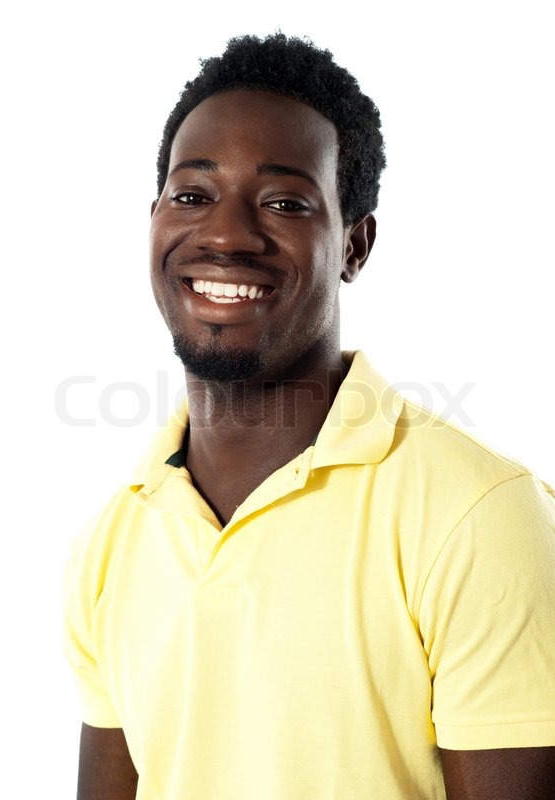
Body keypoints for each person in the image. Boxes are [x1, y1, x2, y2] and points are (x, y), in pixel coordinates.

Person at [64, 32, 555, 799]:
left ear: (354, 246)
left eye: (284, 202)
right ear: (154, 218)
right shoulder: (113, 540)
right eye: (191, 195)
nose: (224, 234)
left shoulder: (477, 514)